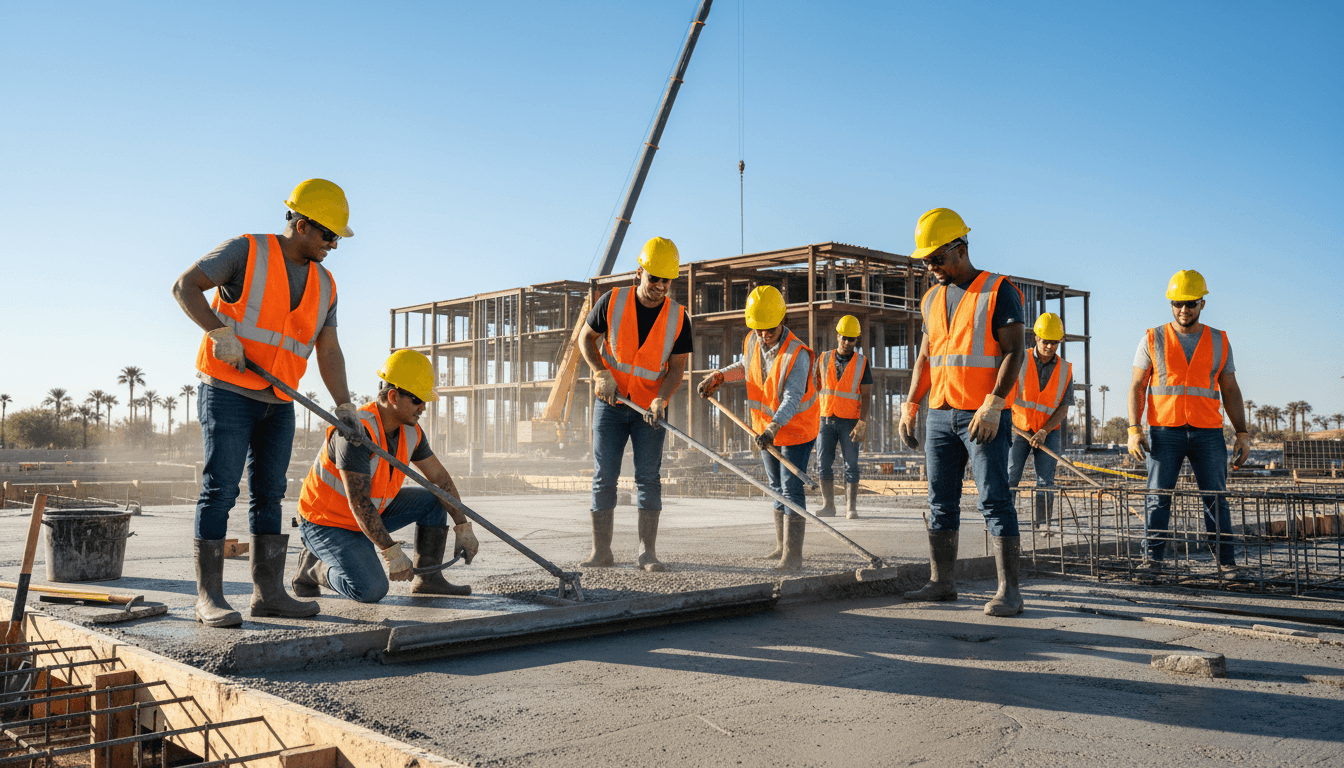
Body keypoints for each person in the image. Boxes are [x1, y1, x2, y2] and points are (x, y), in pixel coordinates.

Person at [171, 178, 360, 628]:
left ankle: (269, 594)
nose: (334, 245)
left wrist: (344, 405)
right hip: (228, 392)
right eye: (328, 234)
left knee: (270, 495)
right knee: (220, 490)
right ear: (301, 224)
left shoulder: (326, 284)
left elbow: (328, 349)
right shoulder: (246, 251)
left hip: (279, 399)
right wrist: (218, 332)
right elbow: (185, 286)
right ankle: (209, 597)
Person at [897, 208, 1028, 617]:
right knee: (940, 502)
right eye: (926, 261)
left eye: (937, 258)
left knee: (994, 499)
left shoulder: (997, 290)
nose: (931, 267)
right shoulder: (931, 299)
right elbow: (925, 358)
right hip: (940, 413)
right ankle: (942, 583)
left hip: (982, 416)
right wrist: (911, 404)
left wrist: (994, 403)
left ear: (961, 248)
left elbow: (1015, 351)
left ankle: (1010, 592)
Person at [291, 350, 480, 603]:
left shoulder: (411, 432)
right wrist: (391, 552)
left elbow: (440, 480)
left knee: (435, 499)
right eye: (417, 400)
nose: (423, 407)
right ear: (393, 396)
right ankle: (316, 570)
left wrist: (463, 526)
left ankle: (429, 580)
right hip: (326, 523)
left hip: (369, 514)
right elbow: (360, 503)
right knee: (371, 589)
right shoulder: (356, 433)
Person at [576, 237, 692, 571]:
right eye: (654, 278)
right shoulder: (612, 301)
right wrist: (601, 373)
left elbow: (677, 369)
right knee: (604, 477)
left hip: (649, 412)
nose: (660, 286)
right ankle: (602, 552)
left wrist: (661, 399)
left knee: (648, 479)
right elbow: (585, 339)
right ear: (639, 272)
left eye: (666, 281)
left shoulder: (679, 317)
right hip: (610, 405)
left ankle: (647, 553)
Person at [1126, 270, 1249, 572]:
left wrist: (1242, 433)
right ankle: (1152, 560)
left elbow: (1230, 389)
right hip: (1164, 431)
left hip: (1208, 432)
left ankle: (1226, 563)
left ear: (1202, 303)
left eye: (1191, 303)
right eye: (1177, 303)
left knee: (1216, 499)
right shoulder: (1152, 338)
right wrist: (1133, 429)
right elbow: (1137, 386)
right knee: (1158, 497)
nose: (1184, 309)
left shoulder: (1219, 340)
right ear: (1171, 303)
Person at [699, 285, 820, 570]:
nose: (764, 334)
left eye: (770, 329)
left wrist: (773, 428)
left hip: (796, 429)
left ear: (782, 320)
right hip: (765, 429)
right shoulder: (753, 341)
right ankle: (781, 547)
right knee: (776, 486)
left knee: (791, 488)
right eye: (759, 329)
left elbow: (792, 398)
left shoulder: (797, 354)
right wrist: (719, 376)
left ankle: (793, 556)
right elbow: (745, 366)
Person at [1007, 313, 1074, 531]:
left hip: (1048, 432)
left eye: (1054, 342)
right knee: (1010, 477)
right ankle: (1005, 524)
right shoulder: (1020, 359)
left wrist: (1044, 431)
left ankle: (1043, 526)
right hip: (1018, 429)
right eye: (1046, 341)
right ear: (1036, 338)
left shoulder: (1065, 369)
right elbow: (1005, 393)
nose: (1050, 346)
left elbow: (1063, 407)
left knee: (1046, 482)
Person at [814, 315, 872, 519]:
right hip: (825, 419)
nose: (847, 342)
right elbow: (814, 388)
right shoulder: (823, 358)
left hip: (850, 422)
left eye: (851, 339)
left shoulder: (862, 363)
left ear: (857, 340)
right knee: (823, 464)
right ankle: (828, 506)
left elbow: (866, 395)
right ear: (837, 336)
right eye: (844, 338)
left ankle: (851, 508)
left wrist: (862, 422)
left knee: (851, 465)